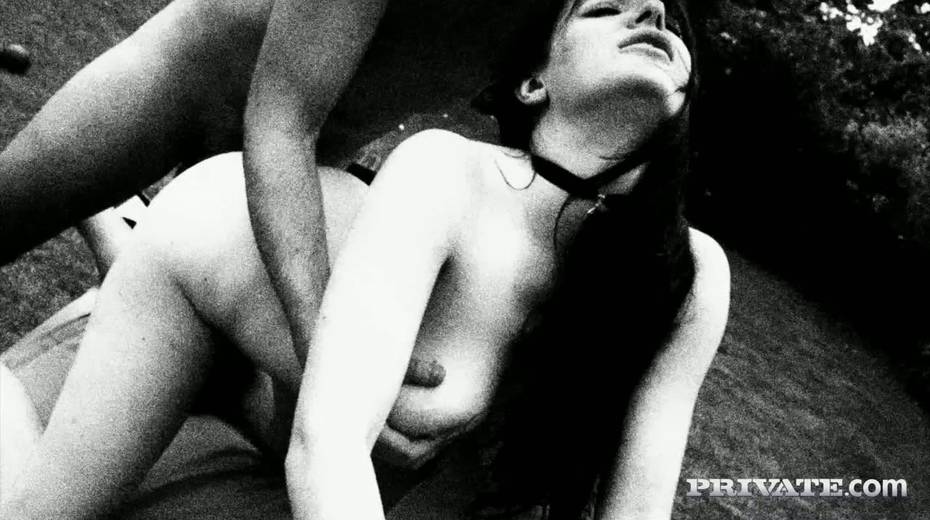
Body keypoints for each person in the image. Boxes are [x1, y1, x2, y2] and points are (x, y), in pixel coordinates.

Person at [0, 0, 731, 518]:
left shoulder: (687, 279)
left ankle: (127, 241)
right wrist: (322, 352)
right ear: (533, 82)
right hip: (203, 237)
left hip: (305, 242)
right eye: (604, 8)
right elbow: (327, 447)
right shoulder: (447, 174)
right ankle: (119, 235)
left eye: (669, 22)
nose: (651, 13)